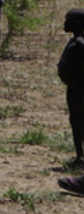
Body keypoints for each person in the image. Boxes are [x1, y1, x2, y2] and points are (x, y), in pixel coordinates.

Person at [60, 9, 84, 172]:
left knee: (80, 121)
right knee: (74, 120)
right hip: (73, 88)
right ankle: (79, 155)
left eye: (68, 20)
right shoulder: (74, 40)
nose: (65, 22)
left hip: (79, 89)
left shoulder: (81, 43)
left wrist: (77, 82)